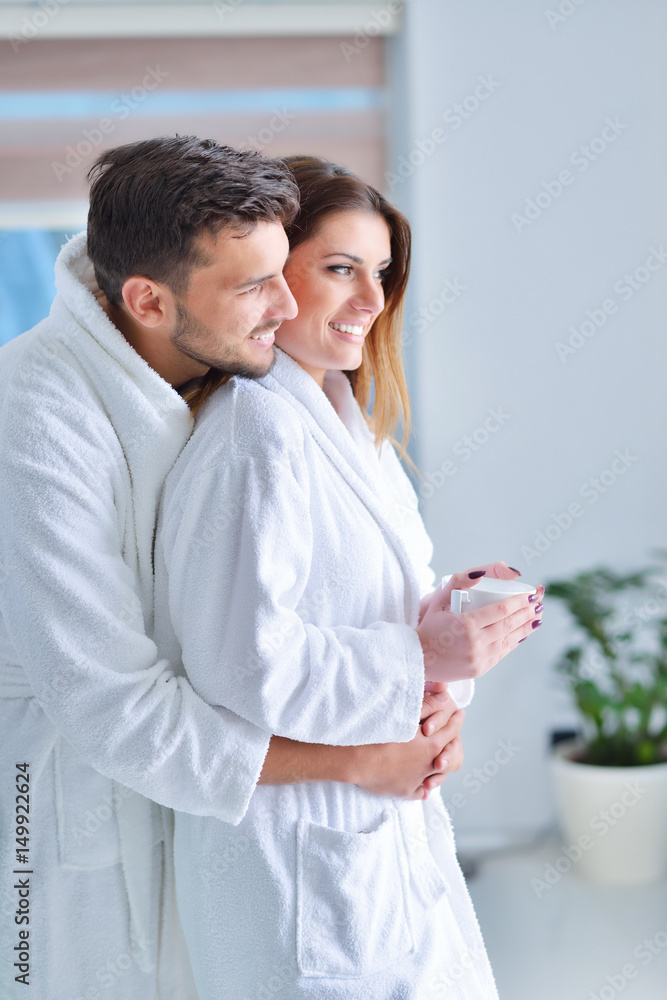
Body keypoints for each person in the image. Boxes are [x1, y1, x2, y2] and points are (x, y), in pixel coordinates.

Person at [0, 138, 465, 999]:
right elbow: (111, 705)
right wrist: (355, 761)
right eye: (256, 285)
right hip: (52, 799)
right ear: (146, 298)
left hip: (196, 799)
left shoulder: (195, 368)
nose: (286, 304)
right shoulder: (35, 417)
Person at [154, 155, 545, 998]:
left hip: (367, 840)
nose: (371, 300)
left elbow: (388, 621)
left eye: (379, 273)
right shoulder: (253, 436)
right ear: (269, 278)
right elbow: (242, 665)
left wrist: (447, 666)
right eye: (340, 269)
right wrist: (421, 659)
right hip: (292, 866)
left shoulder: (349, 428)